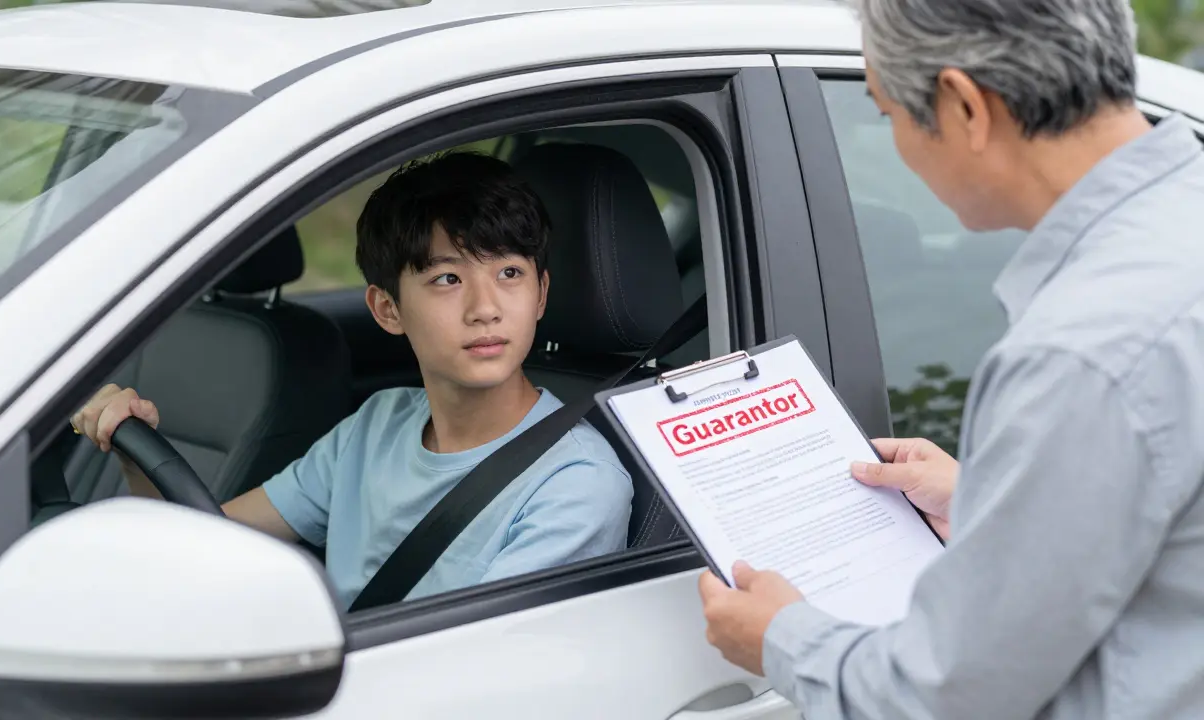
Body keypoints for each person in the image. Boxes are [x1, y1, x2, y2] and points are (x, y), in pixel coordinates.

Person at [698, 0, 1204, 717]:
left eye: (887, 115)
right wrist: (988, 502)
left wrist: (781, 637)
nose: (900, 149)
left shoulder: (1080, 353)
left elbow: (949, 694)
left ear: (964, 105)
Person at [72, 151, 634, 609]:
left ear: (541, 293)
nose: (485, 308)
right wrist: (133, 451)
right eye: (447, 278)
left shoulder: (576, 484)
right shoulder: (376, 425)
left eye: (509, 272)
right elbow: (207, 542)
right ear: (387, 309)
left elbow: (482, 671)